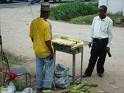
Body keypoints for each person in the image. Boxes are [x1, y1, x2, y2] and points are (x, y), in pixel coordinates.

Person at [29, 2, 55, 92]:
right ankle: (47, 88)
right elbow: (47, 41)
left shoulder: (33, 22)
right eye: (49, 13)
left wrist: (37, 44)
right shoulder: (46, 24)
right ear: (46, 13)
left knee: (39, 69)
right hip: (46, 52)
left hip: (37, 51)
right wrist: (51, 52)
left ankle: (39, 87)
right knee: (49, 70)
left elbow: (32, 37)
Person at [83, 5, 113, 77]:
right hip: (95, 41)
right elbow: (92, 30)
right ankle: (88, 73)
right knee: (92, 58)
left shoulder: (109, 21)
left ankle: (100, 71)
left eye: (101, 11)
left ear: (105, 12)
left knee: (102, 58)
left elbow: (110, 34)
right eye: (98, 11)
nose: (99, 13)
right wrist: (91, 41)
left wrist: (108, 46)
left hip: (104, 42)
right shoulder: (95, 19)